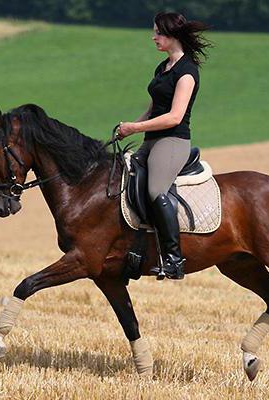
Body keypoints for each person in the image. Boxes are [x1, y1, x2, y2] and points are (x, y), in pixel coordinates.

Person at [117, 11, 211, 280]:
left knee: (157, 190)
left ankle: (173, 259)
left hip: (172, 141)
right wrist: (128, 128)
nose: (153, 37)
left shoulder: (187, 72)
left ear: (172, 36)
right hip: (150, 140)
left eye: (158, 32)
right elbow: (153, 108)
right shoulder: (163, 68)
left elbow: (174, 116)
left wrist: (135, 128)